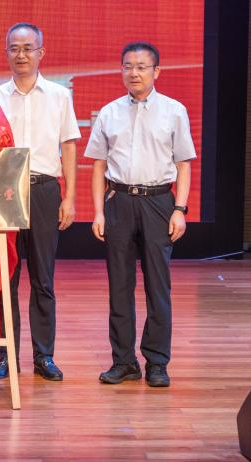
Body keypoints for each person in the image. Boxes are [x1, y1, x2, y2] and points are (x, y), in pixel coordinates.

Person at [87, 41, 196, 388]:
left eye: (141, 67)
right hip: (118, 200)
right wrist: (98, 212)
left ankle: (157, 362)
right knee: (119, 285)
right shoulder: (109, 113)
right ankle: (124, 361)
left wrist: (180, 209)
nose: (133, 73)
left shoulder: (174, 111)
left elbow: (184, 164)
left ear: (156, 72)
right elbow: (98, 166)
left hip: (158, 202)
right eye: (127, 66)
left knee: (157, 286)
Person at [0, 22, 80, 381]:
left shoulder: (58, 96)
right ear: (6, 52)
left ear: (41, 52)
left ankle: (44, 356)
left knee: (43, 277)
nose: (21, 54)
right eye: (14, 48)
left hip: (43, 190)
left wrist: (69, 196)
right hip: (3, 192)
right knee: (4, 277)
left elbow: (68, 145)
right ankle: (6, 355)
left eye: (27, 48)